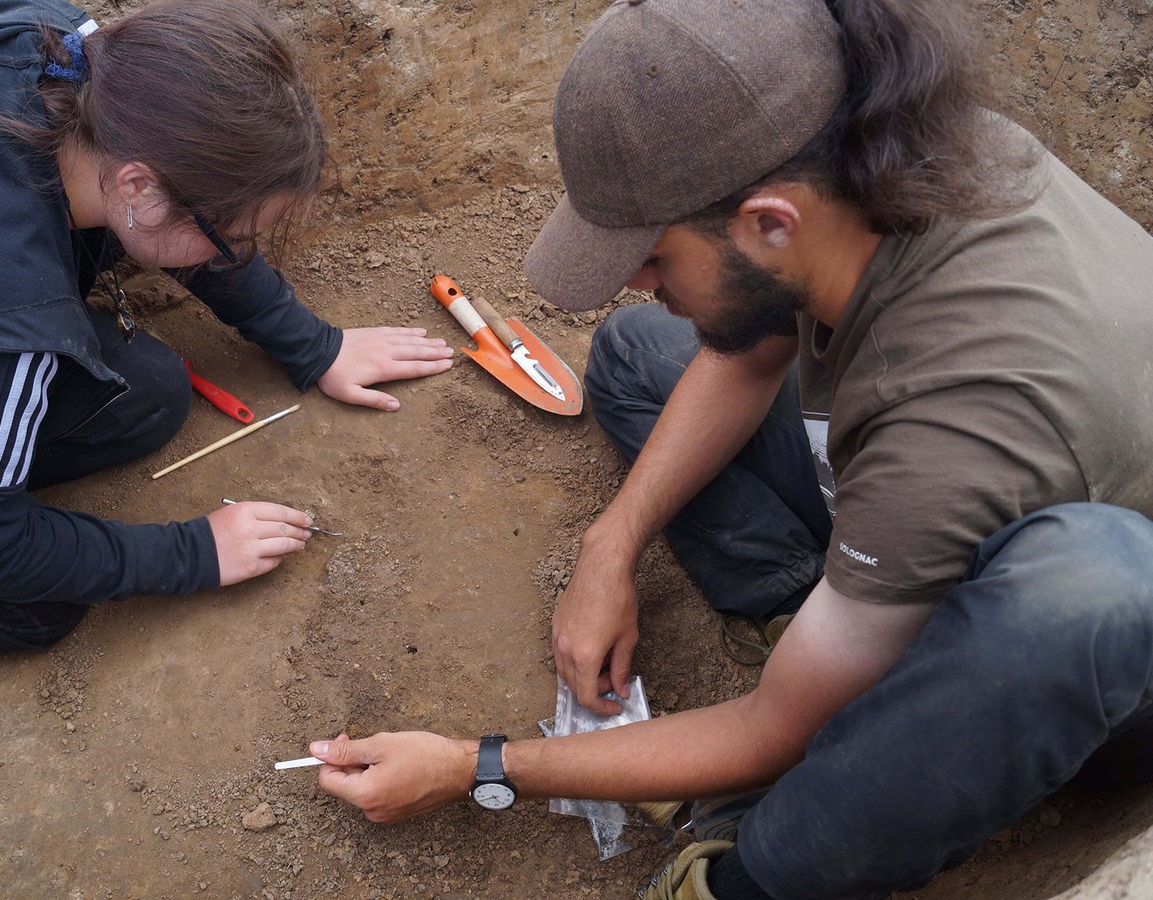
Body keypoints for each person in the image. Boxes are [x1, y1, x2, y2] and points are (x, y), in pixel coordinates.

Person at [306, 1, 1153, 897]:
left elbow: (769, 731)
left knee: (1072, 596)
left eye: (655, 257)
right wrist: (611, 544)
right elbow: (751, 347)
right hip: (956, 506)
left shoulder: (955, 427)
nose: (634, 280)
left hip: (1085, 673)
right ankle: (814, 621)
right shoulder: (904, 159)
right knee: (640, 354)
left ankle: (745, 874)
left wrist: (478, 764)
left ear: (772, 221)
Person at [0, 0, 454, 662]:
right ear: (140, 189)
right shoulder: (12, 319)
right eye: (232, 237)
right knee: (31, 605)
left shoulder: (74, 55)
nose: (232, 252)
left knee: (148, 394)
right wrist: (193, 553)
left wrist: (313, 344)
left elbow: (190, 208)